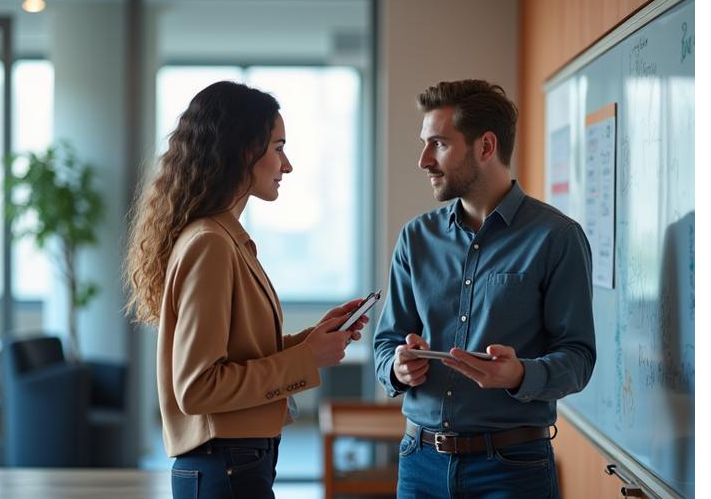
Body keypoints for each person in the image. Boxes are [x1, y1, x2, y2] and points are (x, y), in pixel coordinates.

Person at [125, 81, 369, 499]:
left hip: (233, 463)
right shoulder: (211, 243)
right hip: (226, 466)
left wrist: (309, 342)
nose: (287, 165)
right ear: (243, 151)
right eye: (278, 148)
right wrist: (306, 359)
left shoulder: (221, 237)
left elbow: (238, 354)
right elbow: (198, 387)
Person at [373, 79, 596, 499]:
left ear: (486, 147)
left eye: (439, 144)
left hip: (512, 470)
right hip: (419, 463)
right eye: (425, 144)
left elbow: (579, 358)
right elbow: (386, 342)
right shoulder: (415, 238)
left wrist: (520, 374)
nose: (424, 160)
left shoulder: (557, 238)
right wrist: (397, 368)